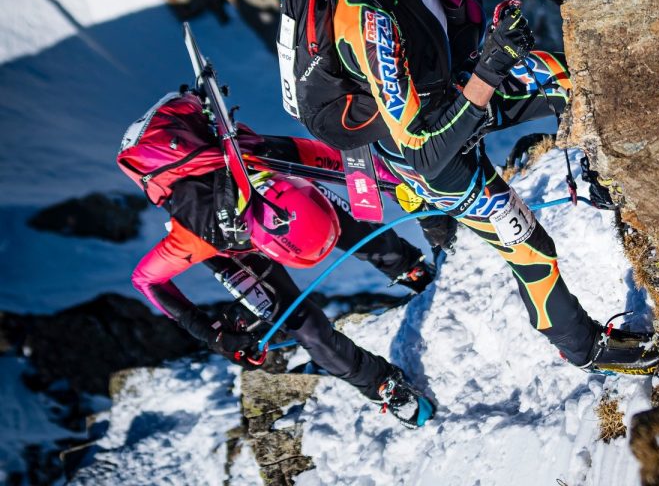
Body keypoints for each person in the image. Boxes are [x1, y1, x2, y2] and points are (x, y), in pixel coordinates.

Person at [325, 0, 659, 376]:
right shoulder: (366, 17)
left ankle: (610, 174)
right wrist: (492, 66)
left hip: (463, 91)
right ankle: (585, 349)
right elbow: (427, 150)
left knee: (582, 77)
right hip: (434, 156)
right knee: (531, 245)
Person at [131, 128, 436, 426]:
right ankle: (381, 385)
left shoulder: (272, 154)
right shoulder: (195, 237)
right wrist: (210, 333)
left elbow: (348, 164)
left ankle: (410, 268)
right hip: (228, 244)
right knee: (305, 326)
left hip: (267, 183)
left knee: (358, 233)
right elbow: (146, 280)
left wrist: (397, 180)